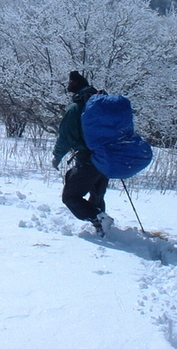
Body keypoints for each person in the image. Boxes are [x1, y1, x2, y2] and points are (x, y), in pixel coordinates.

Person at [51, 70, 110, 233]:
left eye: (70, 82)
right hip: (106, 158)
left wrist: (57, 156)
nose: (68, 85)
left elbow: (65, 136)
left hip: (88, 160)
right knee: (97, 197)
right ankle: (104, 230)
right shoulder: (101, 105)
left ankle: (100, 220)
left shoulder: (76, 108)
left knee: (70, 197)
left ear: (75, 85)